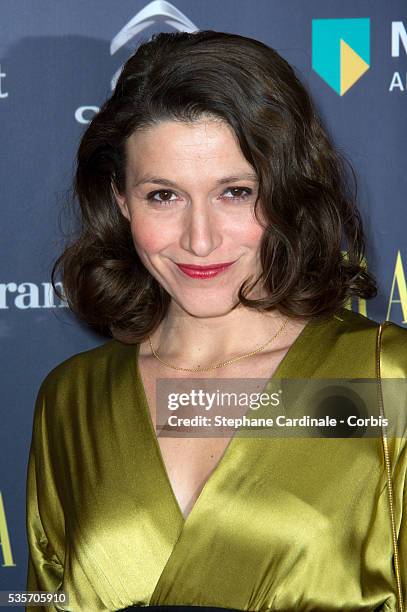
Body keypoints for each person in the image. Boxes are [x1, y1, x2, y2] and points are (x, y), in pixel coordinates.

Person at [25, 30, 406, 612]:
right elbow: (42, 599)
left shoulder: (384, 380)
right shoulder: (73, 398)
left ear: (285, 192)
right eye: (163, 196)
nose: (199, 240)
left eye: (235, 191)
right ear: (121, 199)